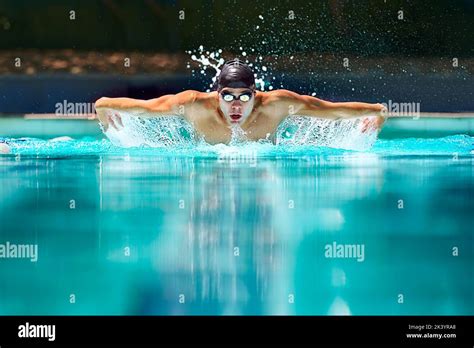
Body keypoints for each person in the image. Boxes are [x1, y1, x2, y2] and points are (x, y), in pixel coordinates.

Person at [95, 59, 387, 145]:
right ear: (216, 93)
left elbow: (332, 112)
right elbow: (145, 109)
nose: (236, 105)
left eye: (244, 97)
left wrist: (378, 112)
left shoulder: (277, 104)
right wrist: (104, 105)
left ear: (255, 94)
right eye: (228, 97)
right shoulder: (194, 104)